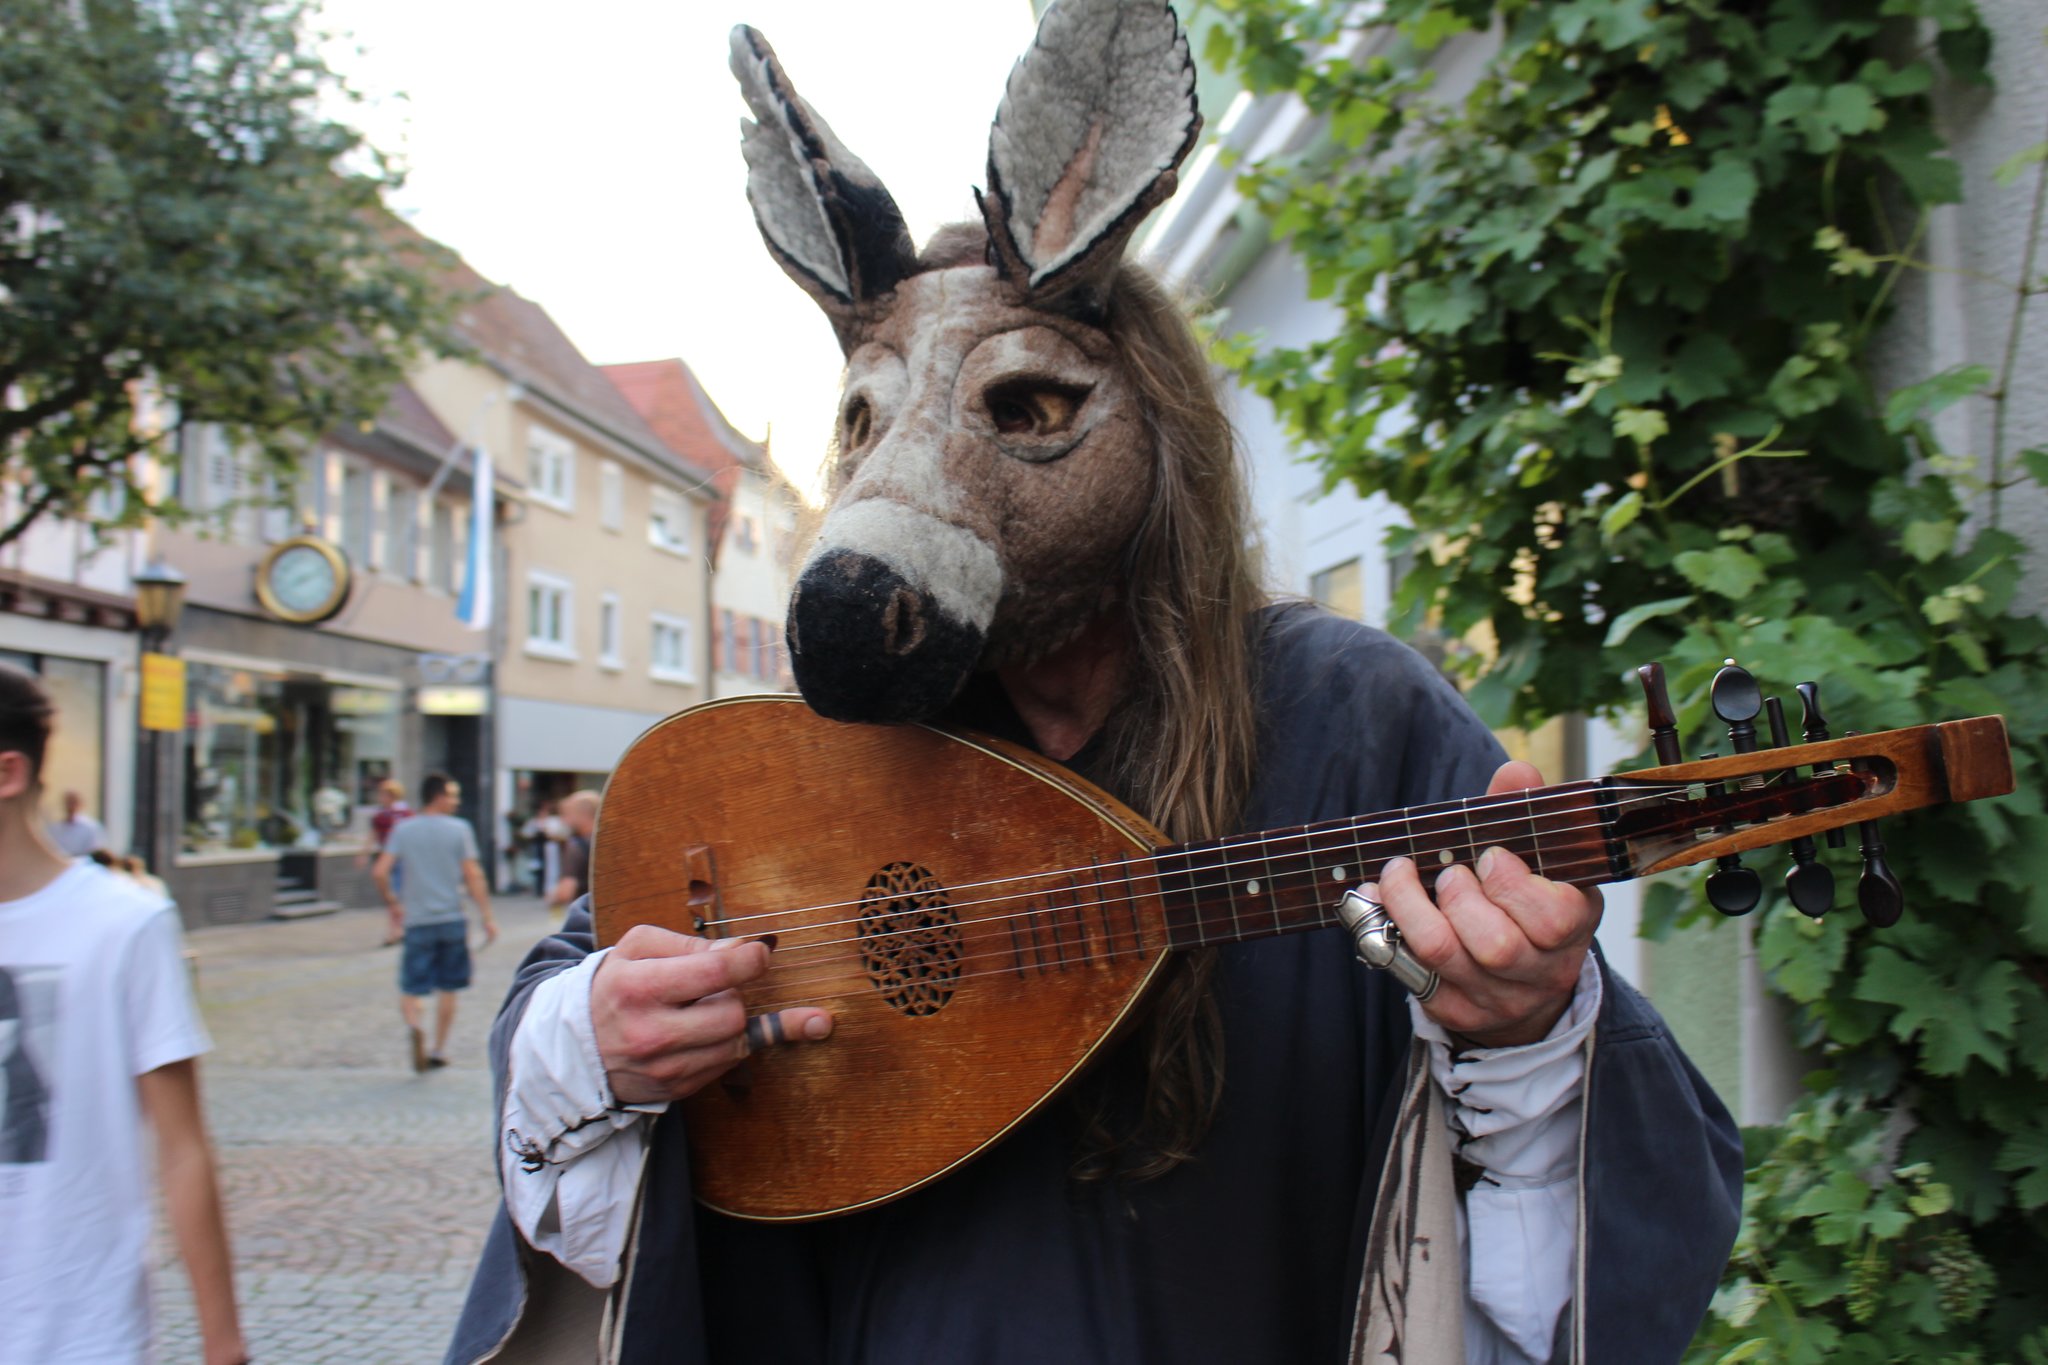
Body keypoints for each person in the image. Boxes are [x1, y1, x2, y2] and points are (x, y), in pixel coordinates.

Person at [446, 6, 1740, 1361]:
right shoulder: (832, 759)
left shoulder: (1349, 711)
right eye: (871, 422)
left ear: (1157, 436)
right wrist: (599, 1036)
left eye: (1027, 409)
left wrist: (1528, 1024)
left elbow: (1562, 1203)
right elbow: (571, 1017)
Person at [0, 663, 247, 1365]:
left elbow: (181, 1146)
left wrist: (223, 1343)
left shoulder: (123, 924)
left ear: (7, 772)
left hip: (74, 1329)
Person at [376, 772, 498, 1073]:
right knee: (448, 987)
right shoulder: (459, 830)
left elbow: (380, 871)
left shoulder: (403, 830)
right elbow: (473, 874)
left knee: (411, 987)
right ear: (438, 796)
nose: (456, 801)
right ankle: (439, 1048)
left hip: (417, 921)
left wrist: (394, 903)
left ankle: (415, 1024)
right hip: (451, 919)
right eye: (453, 795)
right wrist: (487, 917)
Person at [371, 779, 415, 947]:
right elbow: (374, 834)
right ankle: (399, 928)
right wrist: (364, 852)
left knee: (396, 896)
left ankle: (396, 930)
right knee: (393, 896)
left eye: (383, 794)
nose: (380, 798)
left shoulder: (405, 814)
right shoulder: (380, 816)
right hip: (387, 859)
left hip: (402, 859)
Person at [547, 790, 599, 914]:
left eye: (566, 814)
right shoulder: (608, 840)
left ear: (581, 815)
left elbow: (565, 892)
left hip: (586, 916)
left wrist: (552, 898)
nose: (563, 820)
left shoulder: (576, 846)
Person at [45, 788, 105, 858]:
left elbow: (95, 850)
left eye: (73, 802)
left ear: (80, 803)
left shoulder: (91, 827)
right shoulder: (54, 828)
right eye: (68, 802)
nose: (70, 806)